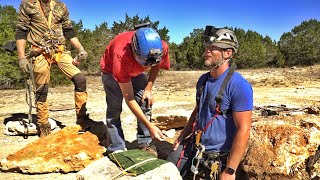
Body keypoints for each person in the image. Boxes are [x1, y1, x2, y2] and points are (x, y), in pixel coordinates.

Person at [167, 26, 253, 180]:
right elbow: (197, 111)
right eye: (207, 47)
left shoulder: (239, 85)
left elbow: (244, 129)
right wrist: (182, 136)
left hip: (217, 157)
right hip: (193, 148)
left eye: (213, 48)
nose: (207, 50)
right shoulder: (203, 80)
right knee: (165, 173)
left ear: (228, 53)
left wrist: (230, 170)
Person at [15, 0, 90, 137]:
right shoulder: (28, 4)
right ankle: (43, 126)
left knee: (80, 79)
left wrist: (80, 49)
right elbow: (21, 31)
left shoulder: (60, 6)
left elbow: (69, 30)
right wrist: (21, 57)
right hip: (39, 52)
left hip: (59, 51)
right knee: (42, 89)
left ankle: (82, 121)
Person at [100, 25, 170, 154]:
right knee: (114, 109)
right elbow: (129, 98)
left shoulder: (161, 48)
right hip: (111, 72)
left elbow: (156, 66)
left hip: (135, 72)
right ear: (134, 50)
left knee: (145, 100)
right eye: (144, 62)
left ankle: (145, 143)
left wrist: (148, 89)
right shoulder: (121, 56)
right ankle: (116, 147)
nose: (148, 66)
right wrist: (150, 126)